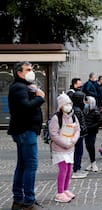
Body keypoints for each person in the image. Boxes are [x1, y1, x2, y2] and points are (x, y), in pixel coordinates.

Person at [8, 61, 45, 210]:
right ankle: (28, 202)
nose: (31, 71)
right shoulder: (19, 87)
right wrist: (40, 97)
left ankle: (18, 200)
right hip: (25, 131)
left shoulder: (23, 87)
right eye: (28, 69)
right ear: (19, 73)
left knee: (22, 165)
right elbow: (25, 107)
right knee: (30, 165)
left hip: (24, 130)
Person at [49, 93, 80, 203]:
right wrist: (65, 143)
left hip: (70, 147)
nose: (68, 106)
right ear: (61, 105)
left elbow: (77, 130)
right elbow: (53, 134)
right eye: (66, 104)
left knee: (69, 169)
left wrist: (73, 141)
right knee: (63, 169)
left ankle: (66, 189)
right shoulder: (56, 118)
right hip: (60, 148)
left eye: (69, 103)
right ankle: (60, 192)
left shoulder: (73, 116)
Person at [71, 91, 88, 179]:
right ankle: (76, 169)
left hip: (79, 134)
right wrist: (83, 129)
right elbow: (78, 124)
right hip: (78, 135)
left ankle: (77, 168)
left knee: (78, 152)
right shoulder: (77, 110)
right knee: (78, 152)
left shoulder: (76, 109)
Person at [84, 96, 102, 172]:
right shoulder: (85, 111)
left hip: (92, 132)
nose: (86, 103)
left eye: (87, 102)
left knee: (91, 146)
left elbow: (99, 122)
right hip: (86, 132)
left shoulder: (95, 112)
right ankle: (91, 163)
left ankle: (93, 163)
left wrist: (90, 127)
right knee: (88, 146)